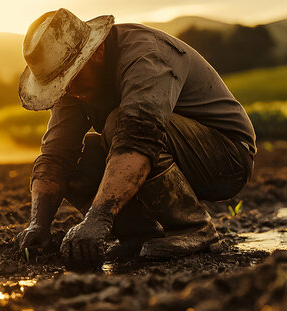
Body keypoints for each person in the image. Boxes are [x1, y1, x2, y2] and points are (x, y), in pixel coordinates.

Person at [15, 9, 256, 270]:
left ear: (94, 53)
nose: (68, 90)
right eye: (61, 85)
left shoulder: (145, 56)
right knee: (77, 164)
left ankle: (193, 227)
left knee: (119, 123)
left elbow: (139, 135)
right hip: (156, 147)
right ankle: (138, 234)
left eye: (71, 78)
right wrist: (38, 224)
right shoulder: (74, 90)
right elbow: (55, 157)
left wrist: (98, 218)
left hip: (227, 157)